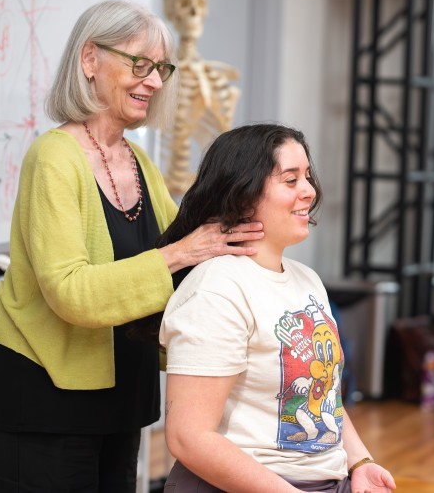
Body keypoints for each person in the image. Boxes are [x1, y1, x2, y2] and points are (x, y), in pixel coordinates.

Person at [0, 0, 263, 492]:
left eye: (161, 69)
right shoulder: (53, 158)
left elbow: (188, 263)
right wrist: (181, 252)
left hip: (122, 394)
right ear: (90, 60)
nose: (155, 81)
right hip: (47, 394)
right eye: (140, 64)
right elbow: (72, 291)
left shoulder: (137, 162)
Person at [158, 123, 396, 493]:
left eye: (307, 177)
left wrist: (360, 462)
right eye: (290, 180)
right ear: (244, 195)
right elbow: (189, 437)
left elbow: (324, 393)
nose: (309, 191)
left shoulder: (307, 280)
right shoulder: (217, 288)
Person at [161, 0, 241, 196]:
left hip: (203, 192)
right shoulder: (160, 72)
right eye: (185, 5)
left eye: (200, 5)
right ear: (170, 12)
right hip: (163, 188)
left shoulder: (216, 75)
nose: (195, 13)